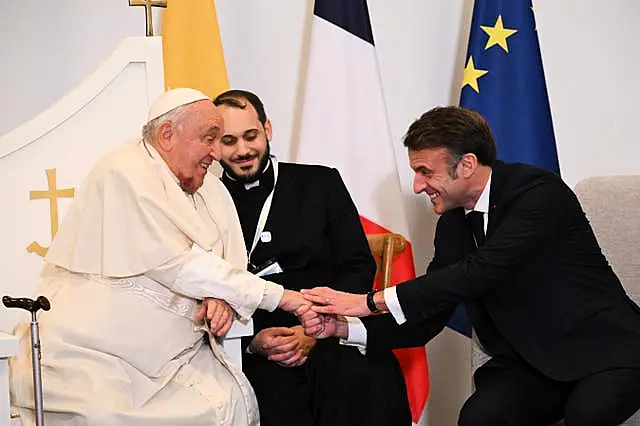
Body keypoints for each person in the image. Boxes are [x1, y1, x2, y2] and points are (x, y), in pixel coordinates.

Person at [301, 106, 640, 426]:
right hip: (532, 364)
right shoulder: (452, 223)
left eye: (425, 172)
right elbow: (430, 312)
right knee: (481, 417)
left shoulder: (539, 192)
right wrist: (345, 329)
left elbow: (480, 272)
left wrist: (368, 301)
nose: (418, 186)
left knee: (588, 416)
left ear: (466, 165)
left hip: (606, 352)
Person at [9, 88, 310, 426]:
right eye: (209, 138)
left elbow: (226, 263)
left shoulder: (209, 186)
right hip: (97, 354)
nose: (215, 152)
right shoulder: (123, 171)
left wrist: (222, 298)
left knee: (227, 405)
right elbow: (178, 265)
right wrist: (282, 298)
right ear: (167, 135)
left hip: (176, 355)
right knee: (105, 415)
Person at [212, 89, 411, 426]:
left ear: (268, 130)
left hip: (327, 329)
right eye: (228, 141)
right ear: (213, 145)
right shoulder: (206, 200)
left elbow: (358, 264)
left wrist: (314, 329)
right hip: (254, 340)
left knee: (357, 378)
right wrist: (251, 341)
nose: (243, 150)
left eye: (251, 136)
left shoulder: (320, 182)